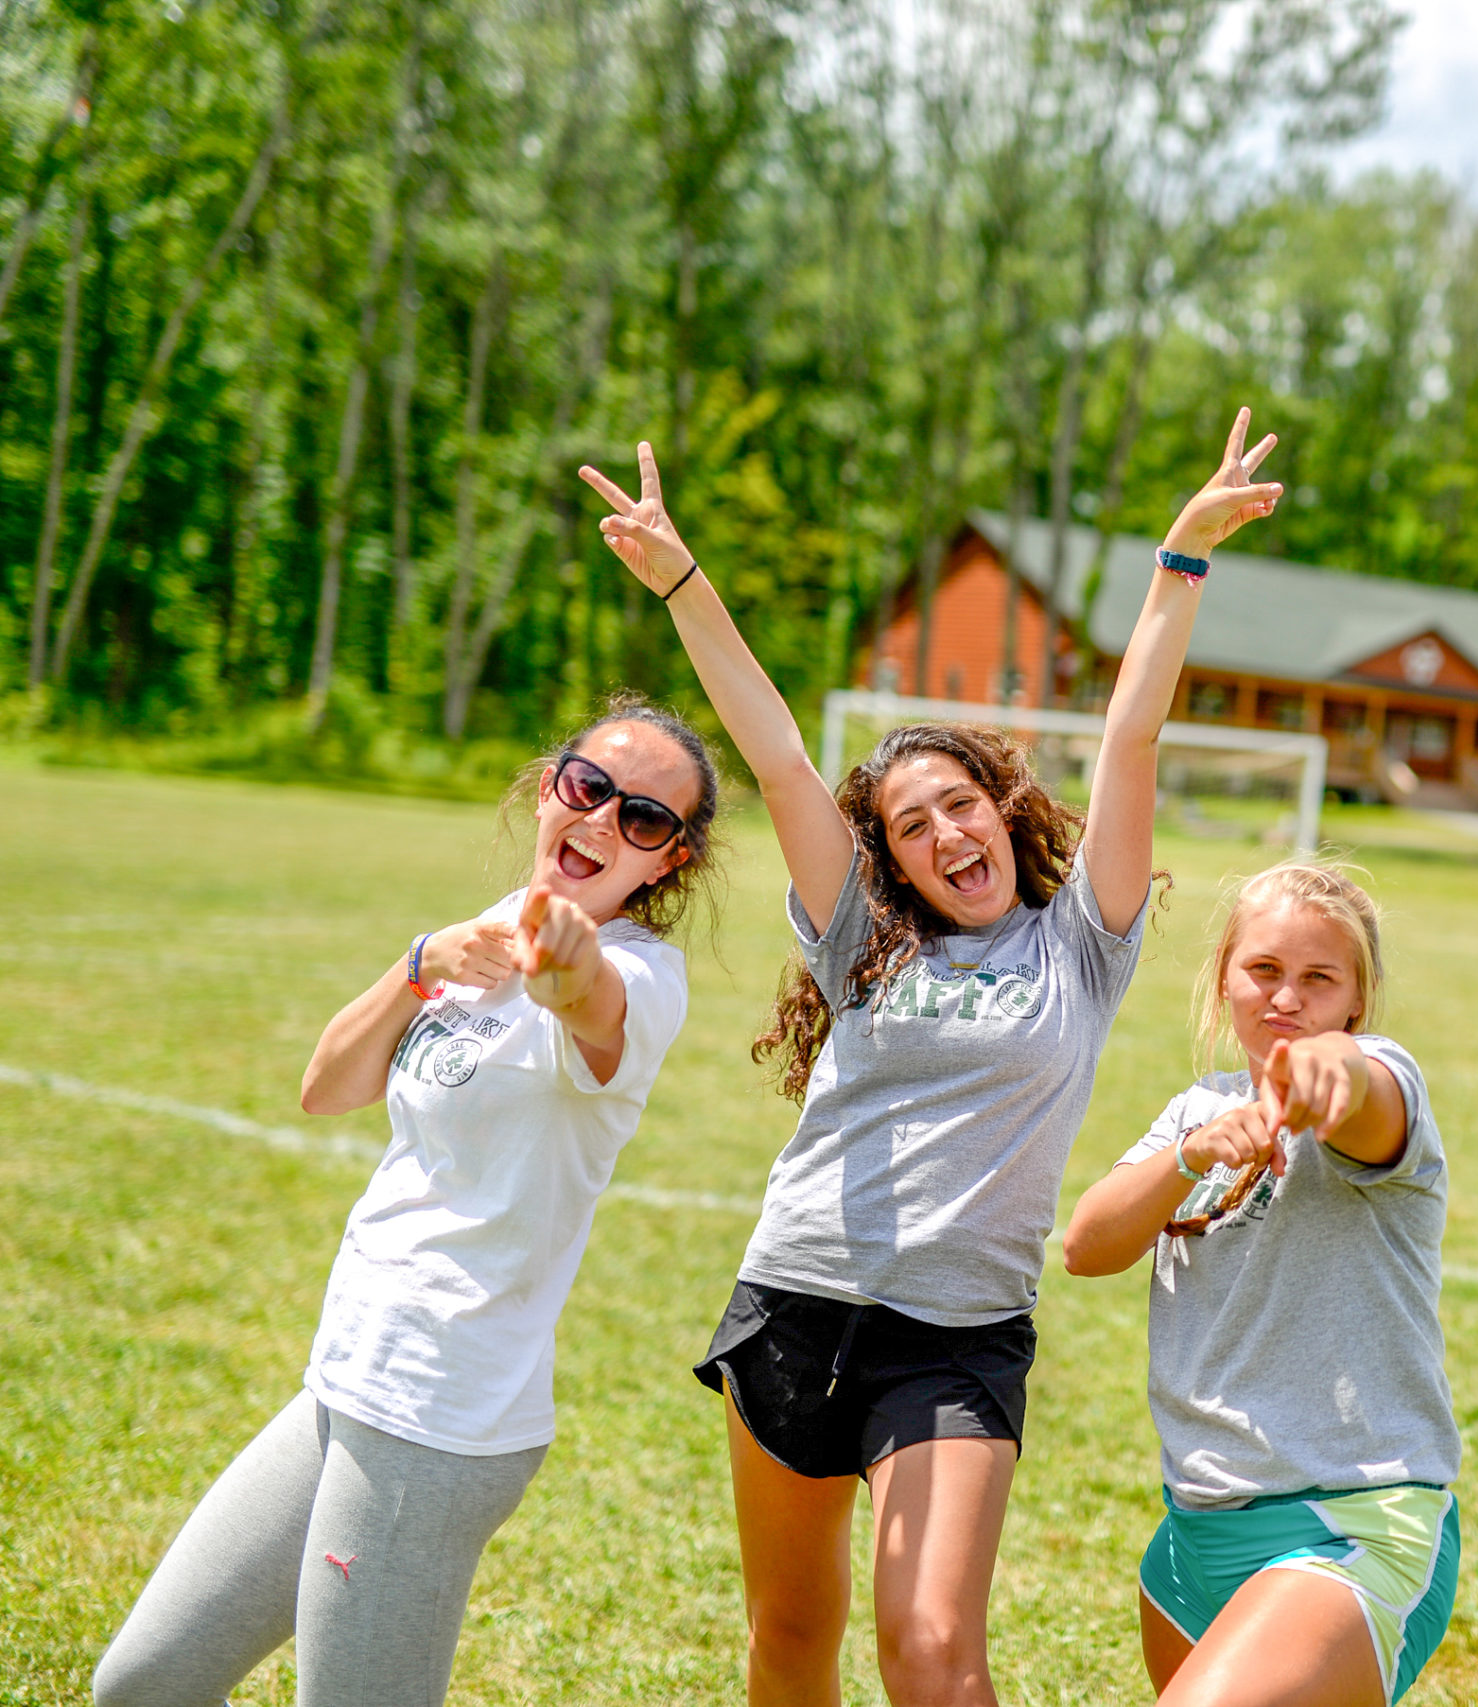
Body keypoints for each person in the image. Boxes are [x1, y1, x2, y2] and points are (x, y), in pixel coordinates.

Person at [580, 410, 1282, 1707]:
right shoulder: (860, 935)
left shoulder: (1081, 945)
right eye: (912, 823)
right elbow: (779, 755)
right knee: (791, 1637)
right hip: (793, 1302)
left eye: (962, 800)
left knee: (933, 1650)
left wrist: (1177, 561)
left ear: (1002, 809)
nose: (948, 830)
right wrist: (683, 581)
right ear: (887, 861)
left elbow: (1129, 741)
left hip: (953, 1343)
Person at [92, 699, 721, 1707]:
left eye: (643, 819)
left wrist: (566, 948)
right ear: (552, 788)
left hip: (439, 1419)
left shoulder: (644, 978)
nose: (604, 820)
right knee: (143, 1684)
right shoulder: (470, 945)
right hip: (347, 1380)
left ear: (668, 862)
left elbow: (587, 1002)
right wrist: (418, 962)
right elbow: (328, 1085)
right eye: (589, 787)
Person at [1061, 862, 1460, 1707]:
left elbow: (1360, 1090)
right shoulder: (1195, 1109)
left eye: (1320, 979)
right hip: (1192, 1542)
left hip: (1348, 1527)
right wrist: (1189, 1155)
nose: (1287, 997)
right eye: (1265, 971)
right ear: (1226, 979)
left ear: (1356, 997)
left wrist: (1325, 1069)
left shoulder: (1378, 1075)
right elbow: (1088, 1245)